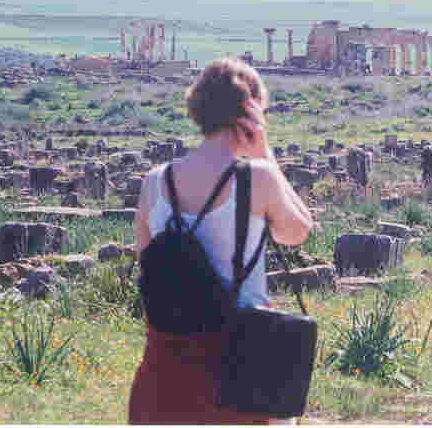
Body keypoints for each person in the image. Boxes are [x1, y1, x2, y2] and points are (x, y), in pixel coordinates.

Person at [128, 57, 313, 425]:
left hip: (165, 365)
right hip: (240, 369)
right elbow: (297, 232)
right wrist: (265, 153)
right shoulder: (256, 178)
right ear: (251, 110)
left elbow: (148, 267)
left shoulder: (155, 182)